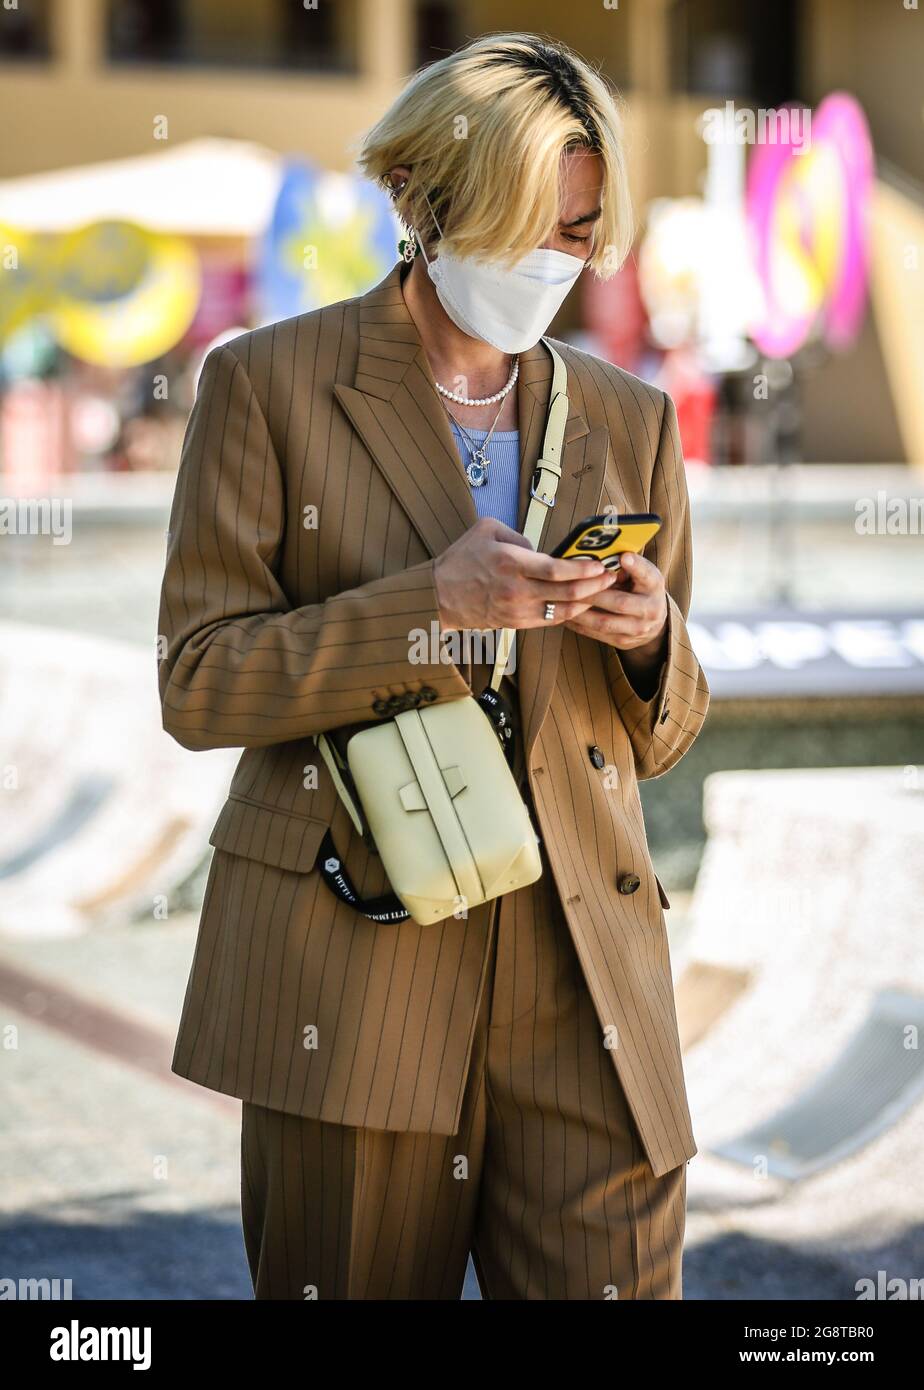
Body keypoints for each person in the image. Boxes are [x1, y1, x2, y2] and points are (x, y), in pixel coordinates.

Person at [157, 31, 710, 1300]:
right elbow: (197, 681)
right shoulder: (265, 386)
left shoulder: (632, 418)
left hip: (588, 983)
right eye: (527, 224)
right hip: (358, 967)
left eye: (578, 233)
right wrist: (424, 606)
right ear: (424, 201)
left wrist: (647, 642)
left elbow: (670, 725)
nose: (551, 262)